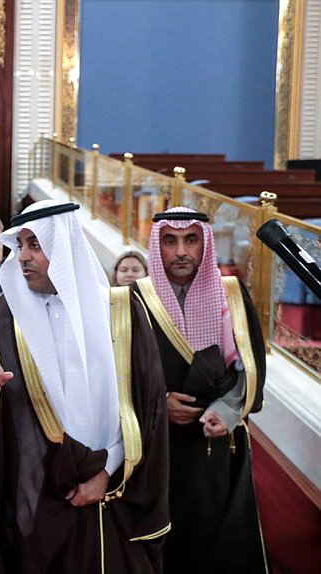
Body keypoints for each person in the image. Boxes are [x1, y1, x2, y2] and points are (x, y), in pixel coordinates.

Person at [0, 199, 170, 574]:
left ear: (64, 250)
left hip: (118, 490)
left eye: (35, 245)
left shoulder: (123, 312)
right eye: (21, 245)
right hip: (41, 494)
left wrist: (107, 469)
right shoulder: (3, 318)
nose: (23, 257)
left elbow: (148, 407)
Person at [132, 207, 266, 574]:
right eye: (170, 241)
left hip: (215, 443)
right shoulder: (131, 299)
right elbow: (117, 373)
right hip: (156, 445)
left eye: (191, 240)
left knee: (217, 537)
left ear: (204, 243)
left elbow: (250, 369)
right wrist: (159, 404)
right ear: (156, 245)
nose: (181, 252)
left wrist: (226, 411)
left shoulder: (233, 295)